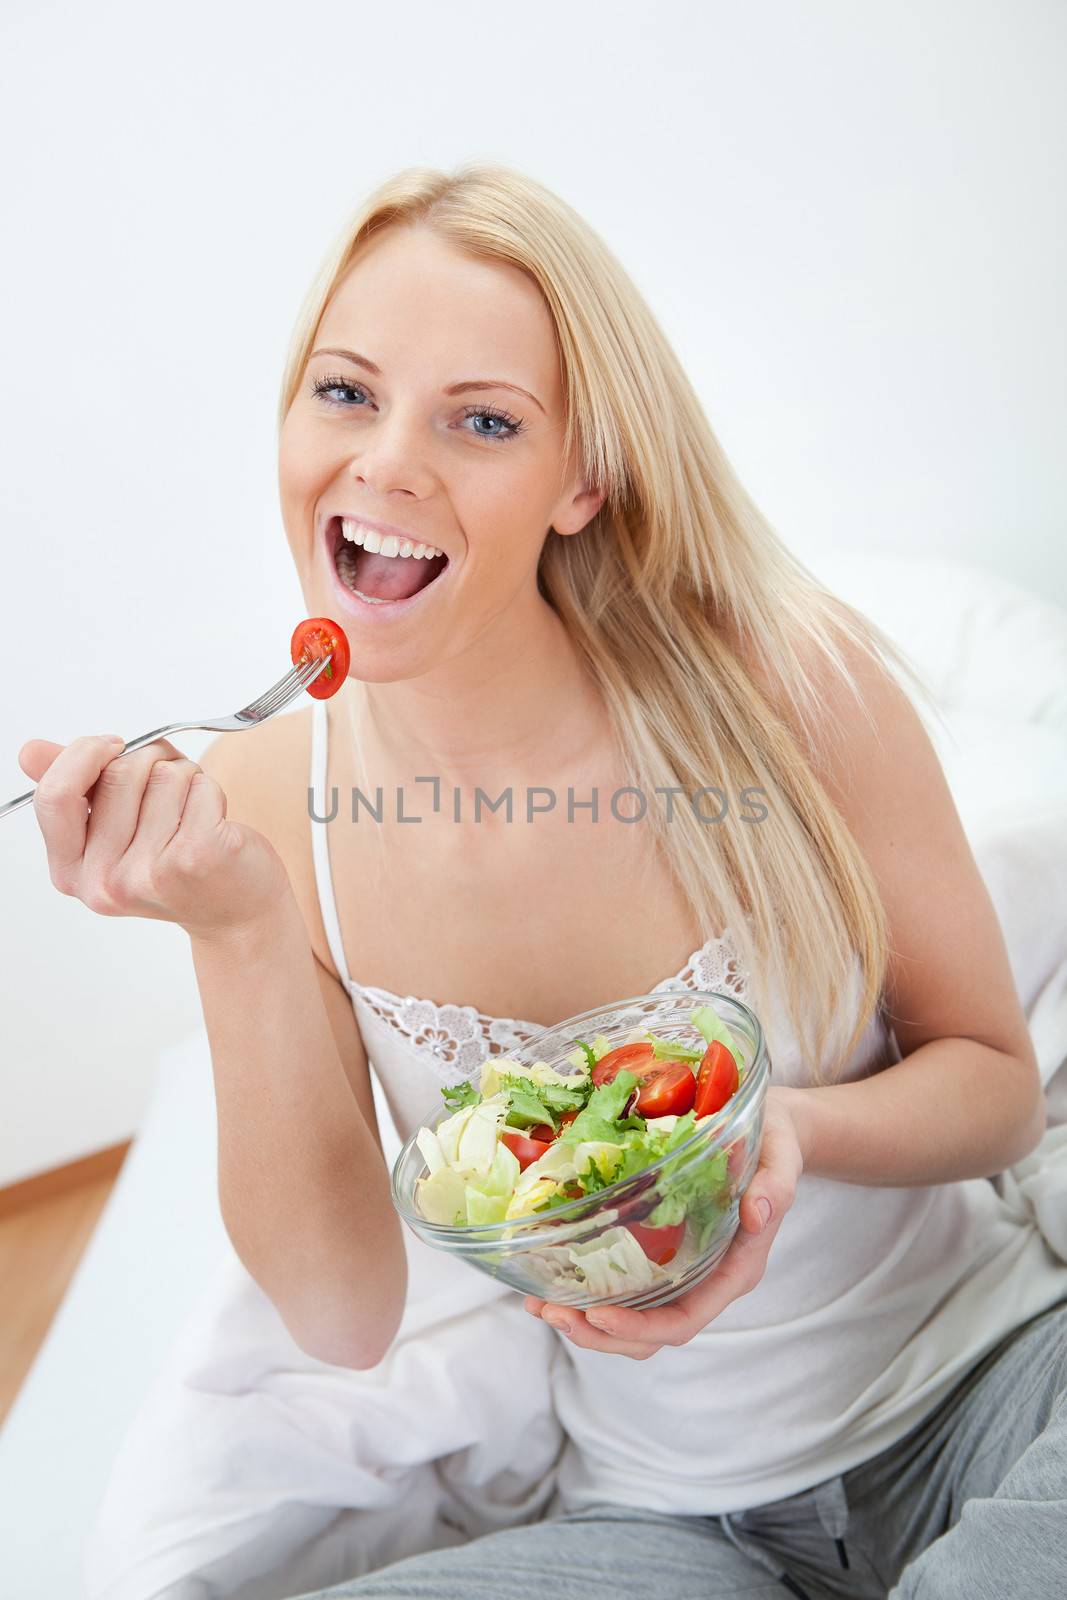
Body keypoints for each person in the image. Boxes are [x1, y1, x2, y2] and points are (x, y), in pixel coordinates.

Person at [21, 162, 1067, 1598]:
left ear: (583, 481)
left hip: (993, 1395)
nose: (388, 461)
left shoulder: (788, 681)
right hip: (667, 1527)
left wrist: (795, 1134)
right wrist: (241, 931)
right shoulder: (263, 807)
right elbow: (339, 1318)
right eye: (345, 392)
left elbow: (997, 1081)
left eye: (483, 420)